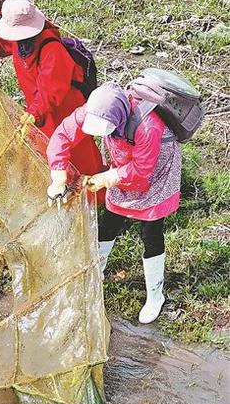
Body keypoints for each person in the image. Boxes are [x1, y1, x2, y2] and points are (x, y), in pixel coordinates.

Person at [46, 82, 181, 324]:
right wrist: (58, 176)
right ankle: (96, 272)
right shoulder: (96, 107)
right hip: (124, 165)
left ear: (119, 119)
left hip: (156, 169)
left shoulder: (147, 126)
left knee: (150, 230)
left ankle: (155, 295)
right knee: (110, 219)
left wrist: (107, 178)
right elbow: (63, 135)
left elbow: (142, 172)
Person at [0, 0, 103, 179]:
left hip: (64, 109)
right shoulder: (18, 38)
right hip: (39, 110)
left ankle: (94, 196)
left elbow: (50, 91)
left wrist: (33, 115)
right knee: (49, 152)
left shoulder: (52, 48)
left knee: (78, 155)